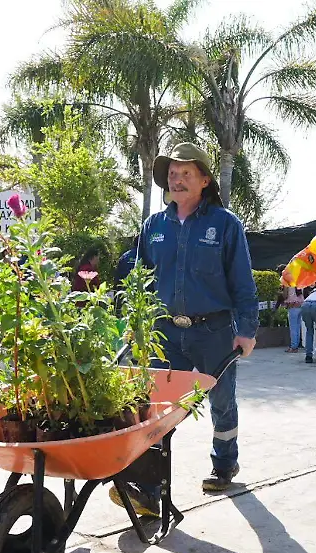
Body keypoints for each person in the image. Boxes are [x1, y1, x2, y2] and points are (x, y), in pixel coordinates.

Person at [109, 142, 258, 516]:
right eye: (172, 174)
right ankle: (148, 488)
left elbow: (242, 282)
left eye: (186, 173)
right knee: (157, 405)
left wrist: (247, 330)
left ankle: (224, 464)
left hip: (214, 332)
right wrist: (135, 323)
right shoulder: (154, 227)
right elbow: (139, 280)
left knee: (221, 401)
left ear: (205, 180)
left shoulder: (225, 224)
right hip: (165, 332)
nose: (177, 180)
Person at [277, 269, 306, 353]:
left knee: (293, 328)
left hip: (292, 306)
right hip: (301, 305)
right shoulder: (299, 280)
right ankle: (296, 345)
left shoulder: (287, 281)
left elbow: (285, 295)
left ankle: (293, 347)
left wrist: (280, 293)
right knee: (298, 327)